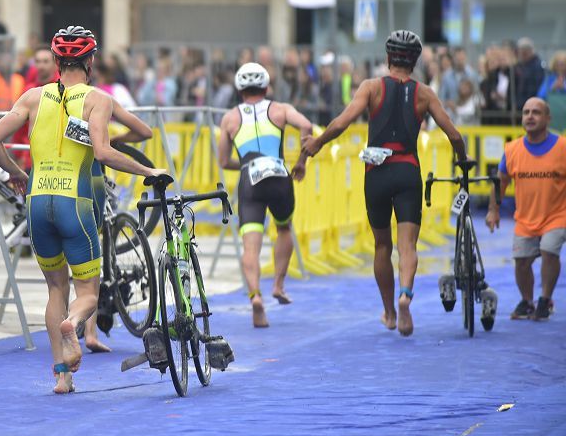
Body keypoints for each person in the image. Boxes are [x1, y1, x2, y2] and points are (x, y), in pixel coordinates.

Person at [0, 26, 166, 394]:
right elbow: (102, 152)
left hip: (37, 201)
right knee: (88, 294)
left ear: (55, 61)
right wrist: (149, 171)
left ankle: (62, 376)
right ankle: (75, 323)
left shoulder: (33, 96)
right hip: (76, 203)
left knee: (55, 288)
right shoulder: (98, 98)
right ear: (91, 61)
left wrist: (18, 173)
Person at [302, 30, 467, 337]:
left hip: (376, 174)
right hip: (407, 172)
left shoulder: (371, 87)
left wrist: (318, 143)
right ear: (415, 62)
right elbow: (454, 135)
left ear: (389, 58)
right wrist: (462, 160)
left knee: (382, 245)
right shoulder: (425, 93)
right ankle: (406, 294)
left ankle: (390, 312)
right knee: (407, 246)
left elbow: (341, 122)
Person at [217, 62, 312, 328]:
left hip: (251, 181)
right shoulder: (280, 109)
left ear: (239, 90)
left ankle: (255, 296)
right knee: (284, 228)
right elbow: (307, 127)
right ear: (267, 87)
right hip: (280, 175)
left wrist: (246, 165)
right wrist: (302, 161)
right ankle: (279, 285)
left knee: (251, 245)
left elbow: (223, 160)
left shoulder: (230, 118)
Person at [487, 98, 564, 321]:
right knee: (521, 262)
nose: (530, 116)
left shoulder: (562, 148)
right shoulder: (512, 150)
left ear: (547, 119)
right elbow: (500, 182)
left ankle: (545, 299)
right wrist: (493, 210)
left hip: (557, 215)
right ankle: (528, 301)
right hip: (526, 219)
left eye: (536, 113)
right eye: (526, 112)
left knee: (549, 250)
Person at [537, 51, 566, 132]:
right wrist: (552, 88)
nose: (561, 67)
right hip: (553, 115)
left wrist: (564, 87)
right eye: (558, 64)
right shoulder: (549, 79)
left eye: (563, 64)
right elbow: (540, 96)